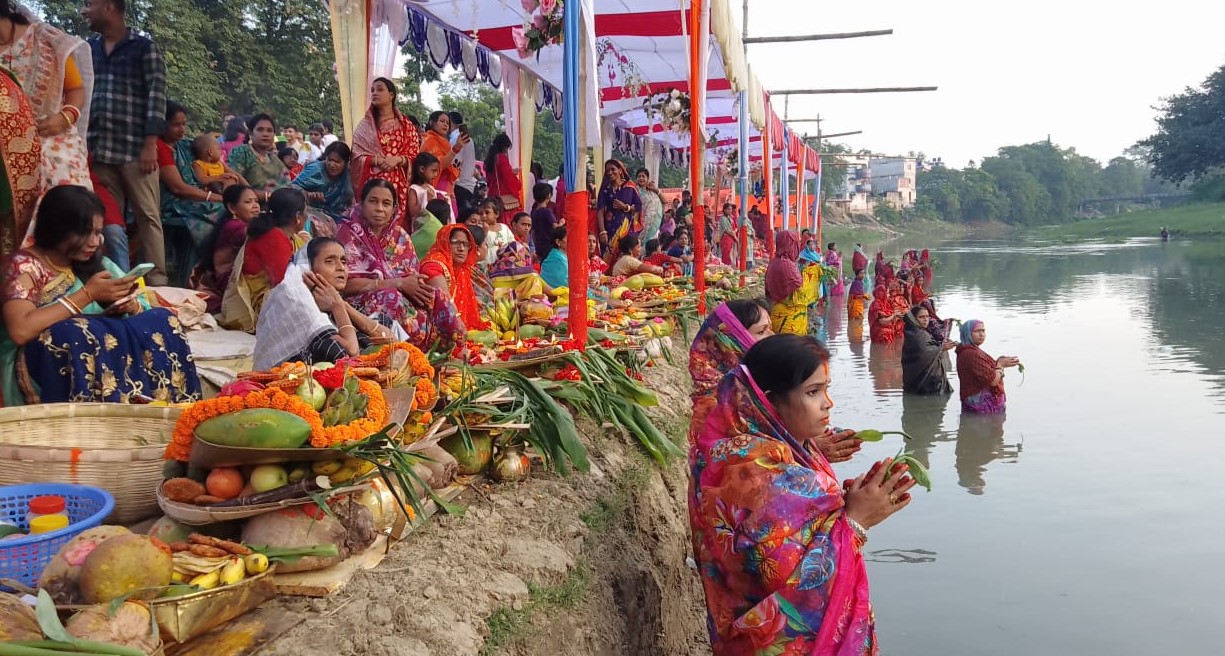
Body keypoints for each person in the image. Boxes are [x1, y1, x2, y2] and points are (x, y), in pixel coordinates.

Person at [691, 334, 915, 654]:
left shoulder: (737, 445)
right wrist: (855, 521)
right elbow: (784, 581)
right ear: (768, 401)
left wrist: (838, 505)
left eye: (827, 389)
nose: (828, 403)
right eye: (813, 392)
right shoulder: (755, 476)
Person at [1, 185, 201, 405]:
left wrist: (129, 306)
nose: (94, 242)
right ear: (55, 228)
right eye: (84, 232)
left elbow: (141, 305)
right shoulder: (25, 266)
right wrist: (87, 294)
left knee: (163, 319)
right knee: (72, 331)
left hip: (100, 349)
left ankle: (169, 409)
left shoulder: (99, 264)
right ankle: (88, 415)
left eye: (98, 232)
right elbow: (20, 330)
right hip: (38, 361)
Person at [83, 0, 168, 285]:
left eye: (88, 4)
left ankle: (157, 281)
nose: (83, 11)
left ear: (108, 7)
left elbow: (157, 98)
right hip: (100, 148)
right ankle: (112, 279)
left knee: (148, 217)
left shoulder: (144, 48)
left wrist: (150, 144)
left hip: (136, 149)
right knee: (108, 222)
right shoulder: (89, 48)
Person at [336, 179, 464, 350]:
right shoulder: (348, 234)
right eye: (373, 201)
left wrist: (417, 288)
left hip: (402, 294)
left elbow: (413, 277)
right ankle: (403, 355)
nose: (380, 208)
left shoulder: (400, 236)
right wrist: (397, 283)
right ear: (362, 204)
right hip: (360, 302)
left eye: (386, 203)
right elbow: (345, 284)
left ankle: (452, 351)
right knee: (392, 297)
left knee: (438, 296)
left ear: (394, 208)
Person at [0, 2, 92, 200]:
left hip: (54, 143)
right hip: (5, 159)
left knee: (72, 212)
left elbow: (75, 89)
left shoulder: (46, 39)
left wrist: (65, 118)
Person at [219, 188, 308, 331]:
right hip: (261, 306)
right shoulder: (274, 238)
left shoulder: (282, 234)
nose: (307, 216)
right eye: (305, 212)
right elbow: (286, 284)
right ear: (298, 216)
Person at [687, 299, 773, 443]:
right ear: (729, 341)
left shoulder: (755, 379)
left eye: (770, 328)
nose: (772, 336)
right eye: (762, 331)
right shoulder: (714, 403)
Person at [156, 102, 224, 280]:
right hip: (173, 203)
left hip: (196, 198)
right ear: (162, 124)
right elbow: (178, 188)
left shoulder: (186, 146)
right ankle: (193, 275)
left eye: (184, 124)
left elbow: (215, 161)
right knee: (221, 212)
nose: (181, 129)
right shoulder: (158, 147)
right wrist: (216, 198)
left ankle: (209, 273)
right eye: (176, 124)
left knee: (230, 210)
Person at [350, 77, 416, 225]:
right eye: (372, 90)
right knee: (368, 223)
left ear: (391, 95)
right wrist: (377, 160)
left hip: (398, 187)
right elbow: (356, 155)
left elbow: (415, 156)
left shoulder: (406, 126)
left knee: (393, 230)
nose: (374, 93)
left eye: (380, 89)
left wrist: (398, 159)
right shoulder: (365, 126)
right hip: (371, 183)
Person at [191, 184, 258, 313]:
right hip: (227, 285)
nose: (255, 206)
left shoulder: (239, 224)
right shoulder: (236, 227)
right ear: (232, 208)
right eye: (248, 202)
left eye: (256, 201)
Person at [420, 223, 484, 330]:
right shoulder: (433, 265)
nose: (461, 248)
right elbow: (445, 302)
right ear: (445, 242)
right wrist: (458, 321)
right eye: (456, 243)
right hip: (433, 328)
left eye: (466, 244)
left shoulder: (461, 269)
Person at [956, 320, 1021, 414]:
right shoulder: (971, 353)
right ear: (967, 333)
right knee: (985, 427)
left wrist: (998, 362)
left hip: (976, 405)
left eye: (983, 331)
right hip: (982, 407)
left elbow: (983, 370)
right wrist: (1000, 366)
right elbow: (992, 381)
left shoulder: (968, 350)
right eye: (977, 331)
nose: (982, 334)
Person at [227, 113, 289, 202]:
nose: (265, 134)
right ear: (250, 133)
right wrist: (264, 196)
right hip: (249, 205)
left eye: (269, 130)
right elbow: (234, 184)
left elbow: (287, 184)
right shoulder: (242, 152)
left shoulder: (274, 158)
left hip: (278, 204)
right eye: (260, 130)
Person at [292, 141, 353, 230]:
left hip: (339, 215)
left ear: (346, 162)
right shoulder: (315, 169)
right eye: (329, 160)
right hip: (314, 213)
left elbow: (351, 196)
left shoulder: (349, 174)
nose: (331, 165)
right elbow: (290, 187)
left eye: (337, 162)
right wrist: (307, 194)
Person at [765, 230, 817, 335]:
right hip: (790, 317)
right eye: (794, 244)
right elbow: (801, 290)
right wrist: (813, 274)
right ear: (791, 245)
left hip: (777, 312)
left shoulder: (773, 263)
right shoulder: (788, 265)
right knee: (792, 348)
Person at [902, 304, 956, 396]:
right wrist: (941, 348)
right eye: (921, 317)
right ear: (914, 319)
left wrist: (939, 345)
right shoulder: (916, 334)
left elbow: (928, 346)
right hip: (925, 383)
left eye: (927, 316)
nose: (925, 319)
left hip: (919, 380)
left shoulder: (919, 331)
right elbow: (923, 351)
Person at [596, 159, 642, 261]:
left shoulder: (630, 187)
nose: (610, 172)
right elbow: (600, 210)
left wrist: (626, 207)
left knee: (626, 257)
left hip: (626, 229)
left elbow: (638, 207)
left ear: (620, 170)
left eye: (613, 169)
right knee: (608, 257)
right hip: (609, 229)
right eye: (607, 171)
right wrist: (602, 232)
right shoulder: (606, 189)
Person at [420, 110, 464, 206]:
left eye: (447, 123)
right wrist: (456, 148)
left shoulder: (445, 143)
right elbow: (438, 165)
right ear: (432, 123)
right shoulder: (429, 140)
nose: (445, 125)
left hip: (447, 186)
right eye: (442, 121)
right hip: (435, 185)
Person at [484, 133, 521, 224]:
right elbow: (509, 179)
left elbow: (490, 179)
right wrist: (518, 183)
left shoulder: (490, 159)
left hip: (492, 195)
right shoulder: (501, 158)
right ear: (504, 147)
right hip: (503, 198)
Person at [405, 152, 441, 229]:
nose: (436, 174)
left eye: (437, 171)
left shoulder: (431, 187)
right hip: (420, 228)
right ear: (422, 169)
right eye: (433, 171)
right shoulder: (414, 188)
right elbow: (412, 212)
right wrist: (425, 199)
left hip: (432, 225)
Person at [478, 197, 513, 267]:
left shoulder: (504, 227)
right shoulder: (480, 228)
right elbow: (479, 245)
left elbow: (512, 243)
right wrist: (485, 232)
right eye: (481, 214)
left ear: (496, 214)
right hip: (489, 262)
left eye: (487, 212)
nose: (483, 216)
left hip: (504, 261)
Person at [530, 182, 561, 262]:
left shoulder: (533, 212)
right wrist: (561, 223)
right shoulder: (547, 212)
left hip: (539, 246)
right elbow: (555, 227)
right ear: (548, 196)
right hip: (549, 245)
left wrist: (535, 244)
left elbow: (533, 231)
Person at [635, 168, 664, 243]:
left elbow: (665, 201)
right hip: (639, 224)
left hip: (652, 226)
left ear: (647, 179)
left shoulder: (652, 192)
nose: (641, 178)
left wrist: (655, 189)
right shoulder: (634, 190)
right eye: (639, 176)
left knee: (651, 249)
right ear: (636, 179)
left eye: (643, 176)